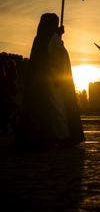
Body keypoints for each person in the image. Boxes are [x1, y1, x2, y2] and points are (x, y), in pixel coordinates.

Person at [15, 13, 84, 148]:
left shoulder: (39, 39)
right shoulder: (51, 38)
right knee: (58, 108)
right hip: (53, 80)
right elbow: (60, 57)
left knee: (47, 109)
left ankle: (47, 135)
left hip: (42, 82)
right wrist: (58, 39)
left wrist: (57, 38)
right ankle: (62, 136)